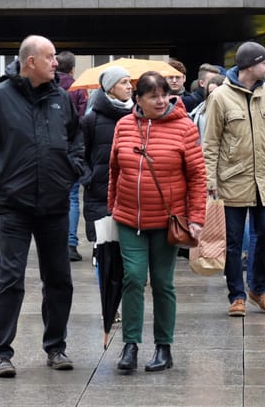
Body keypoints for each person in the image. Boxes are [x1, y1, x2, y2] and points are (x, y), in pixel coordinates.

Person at [0, 35, 88, 378]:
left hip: (54, 203)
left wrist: (72, 171)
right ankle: (0, 353)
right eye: (50, 57)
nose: (56, 63)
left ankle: (56, 347)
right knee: (10, 278)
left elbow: (76, 140)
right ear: (30, 61)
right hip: (14, 205)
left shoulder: (61, 99)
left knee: (59, 279)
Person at [108, 71, 206, 373]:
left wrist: (197, 217)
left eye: (164, 94)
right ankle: (130, 345)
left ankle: (164, 347)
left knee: (163, 283)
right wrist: (111, 207)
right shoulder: (124, 126)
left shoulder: (185, 128)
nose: (161, 100)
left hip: (168, 221)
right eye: (153, 96)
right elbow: (114, 170)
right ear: (139, 100)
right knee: (133, 278)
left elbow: (197, 176)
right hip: (128, 219)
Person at [201, 41, 265, 317]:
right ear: (251, 65)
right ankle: (237, 295)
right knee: (233, 242)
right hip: (232, 181)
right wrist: (210, 182)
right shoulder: (221, 97)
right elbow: (211, 143)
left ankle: (258, 289)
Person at [80, 66, 133, 253]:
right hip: (99, 193)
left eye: (130, 82)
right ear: (110, 88)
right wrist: (89, 177)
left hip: (132, 194)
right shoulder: (91, 119)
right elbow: (80, 153)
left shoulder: (138, 117)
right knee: (104, 253)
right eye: (123, 82)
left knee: (130, 252)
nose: (129, 87)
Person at [55, 51, 88, 262]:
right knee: (73, 198)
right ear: (73, 68)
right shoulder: (78, 88)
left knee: (52, 197)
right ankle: (70, 244)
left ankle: (53, 243)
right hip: (72, 149)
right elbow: (83, 120)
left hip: (51, 149)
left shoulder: (49, 86)